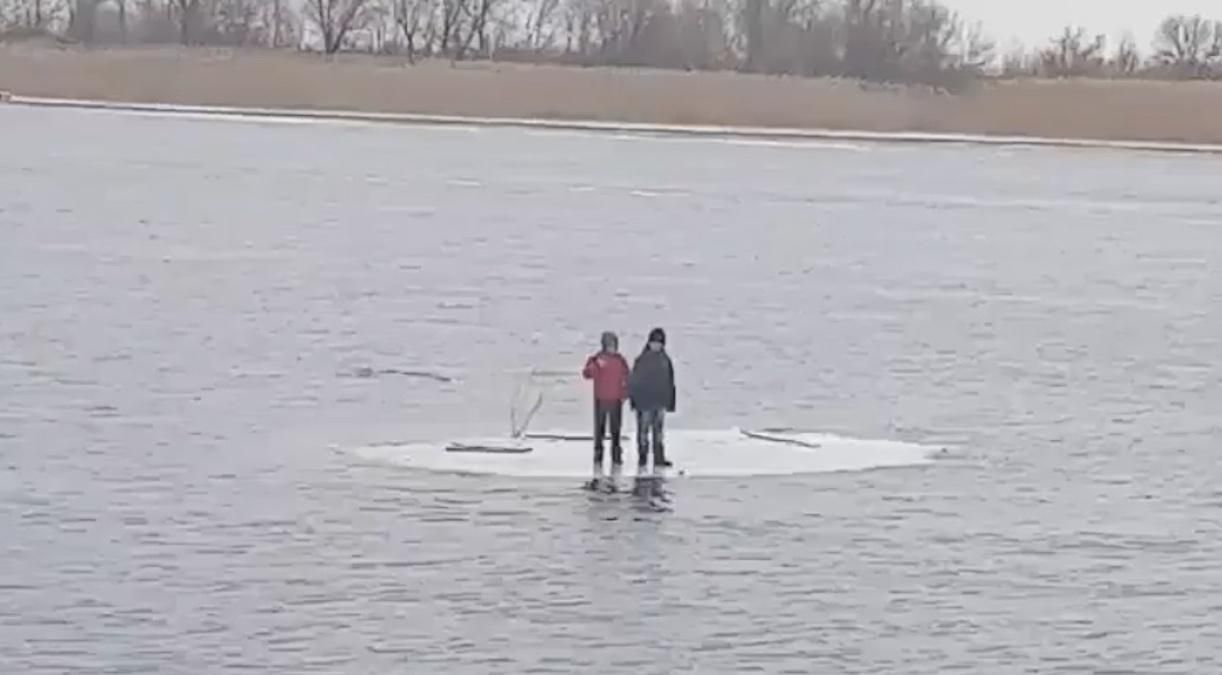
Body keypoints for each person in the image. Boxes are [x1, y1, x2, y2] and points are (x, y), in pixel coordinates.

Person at [582, 331, 630, 478]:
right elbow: (587, 374)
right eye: (609, 345)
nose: (612, 348)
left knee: (616, 431)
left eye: (613, 345)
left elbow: (627, 377)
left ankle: (616, 456)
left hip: (615, 400)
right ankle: (598, 456)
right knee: (600, 431)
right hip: (601, 399)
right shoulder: (597, 359)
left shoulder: (620, 360)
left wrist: (625, 394)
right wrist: (596, 365)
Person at [628, 327, 676, 472]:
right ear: (649, 343)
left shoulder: (665, 361)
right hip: (644, 403)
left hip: (660, 402)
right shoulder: (641, 360)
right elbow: (634, 381)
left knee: (658, 432)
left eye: (659, 343)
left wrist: (671, 402)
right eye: (654, 342)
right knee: (643, 431)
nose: (656, 345)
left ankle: (658, 458)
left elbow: (670, 382)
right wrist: (633, 400)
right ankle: (643, 457)